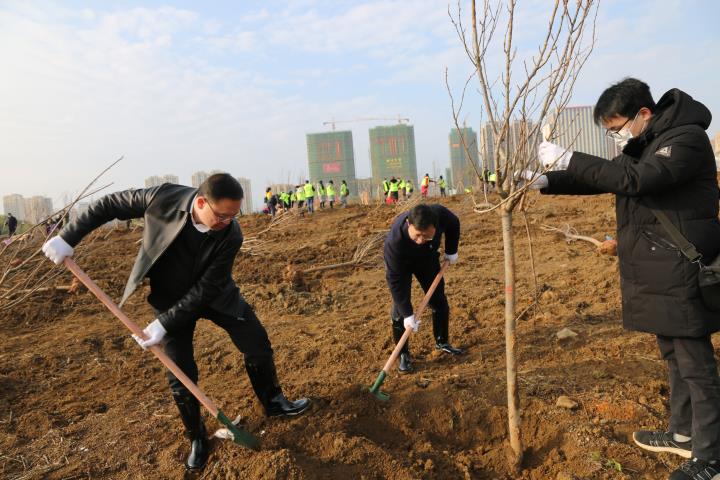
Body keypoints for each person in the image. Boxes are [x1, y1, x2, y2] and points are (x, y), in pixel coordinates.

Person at [41, 174, 310, 471]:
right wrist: (68, 237)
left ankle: (274, 402)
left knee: (256, 341)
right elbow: (109, 205)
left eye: (233, 216)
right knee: (179, 370)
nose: (227, 222)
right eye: (221, 215)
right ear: (201, 202)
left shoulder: (232, 233)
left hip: (215, 295)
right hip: (169, 296)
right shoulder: (163, 198)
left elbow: (207, 288)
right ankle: (197, 437)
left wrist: (163, 325)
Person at [533, 78, 720, 480]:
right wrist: (548, 181)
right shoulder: (645, 145)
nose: (615, 137)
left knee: (696, 367)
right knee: (674, 358)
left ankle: (711, 458)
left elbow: (636, 181)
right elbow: (602, 177)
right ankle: (683, 434)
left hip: (682, 269)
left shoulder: (685, 140)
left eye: (616, 128)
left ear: (644, 114)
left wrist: (570, 156)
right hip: (661, 269)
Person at [384, 203, 463, 374]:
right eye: (417, 235)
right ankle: (403, 354)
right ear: (409, 224)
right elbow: (395, 281)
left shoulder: (440, 215)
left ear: (435, 226)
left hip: (427, 260)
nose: (420, 240)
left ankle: (442, 342)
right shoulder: (394, 242)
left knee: (438, 300)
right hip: (402, 265)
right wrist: (408, 314)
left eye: (426, 236)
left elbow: (454, 223)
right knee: (399, 311)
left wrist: (451, 251)